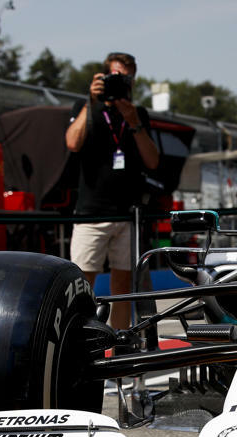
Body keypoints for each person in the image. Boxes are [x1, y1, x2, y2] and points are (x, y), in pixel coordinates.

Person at [65, 51, 159, 330]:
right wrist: (90, 101)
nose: (122, 82)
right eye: (116, 76)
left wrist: (135, 123)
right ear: (103, 77)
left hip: (127, 213)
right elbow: (72, 142)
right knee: (81, 283)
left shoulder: (137, 113)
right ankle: (78, 341)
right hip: (91, 212)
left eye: (127, 78)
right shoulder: (85, 108)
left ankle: (118, 344)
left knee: (123, 285)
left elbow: (153, 161)